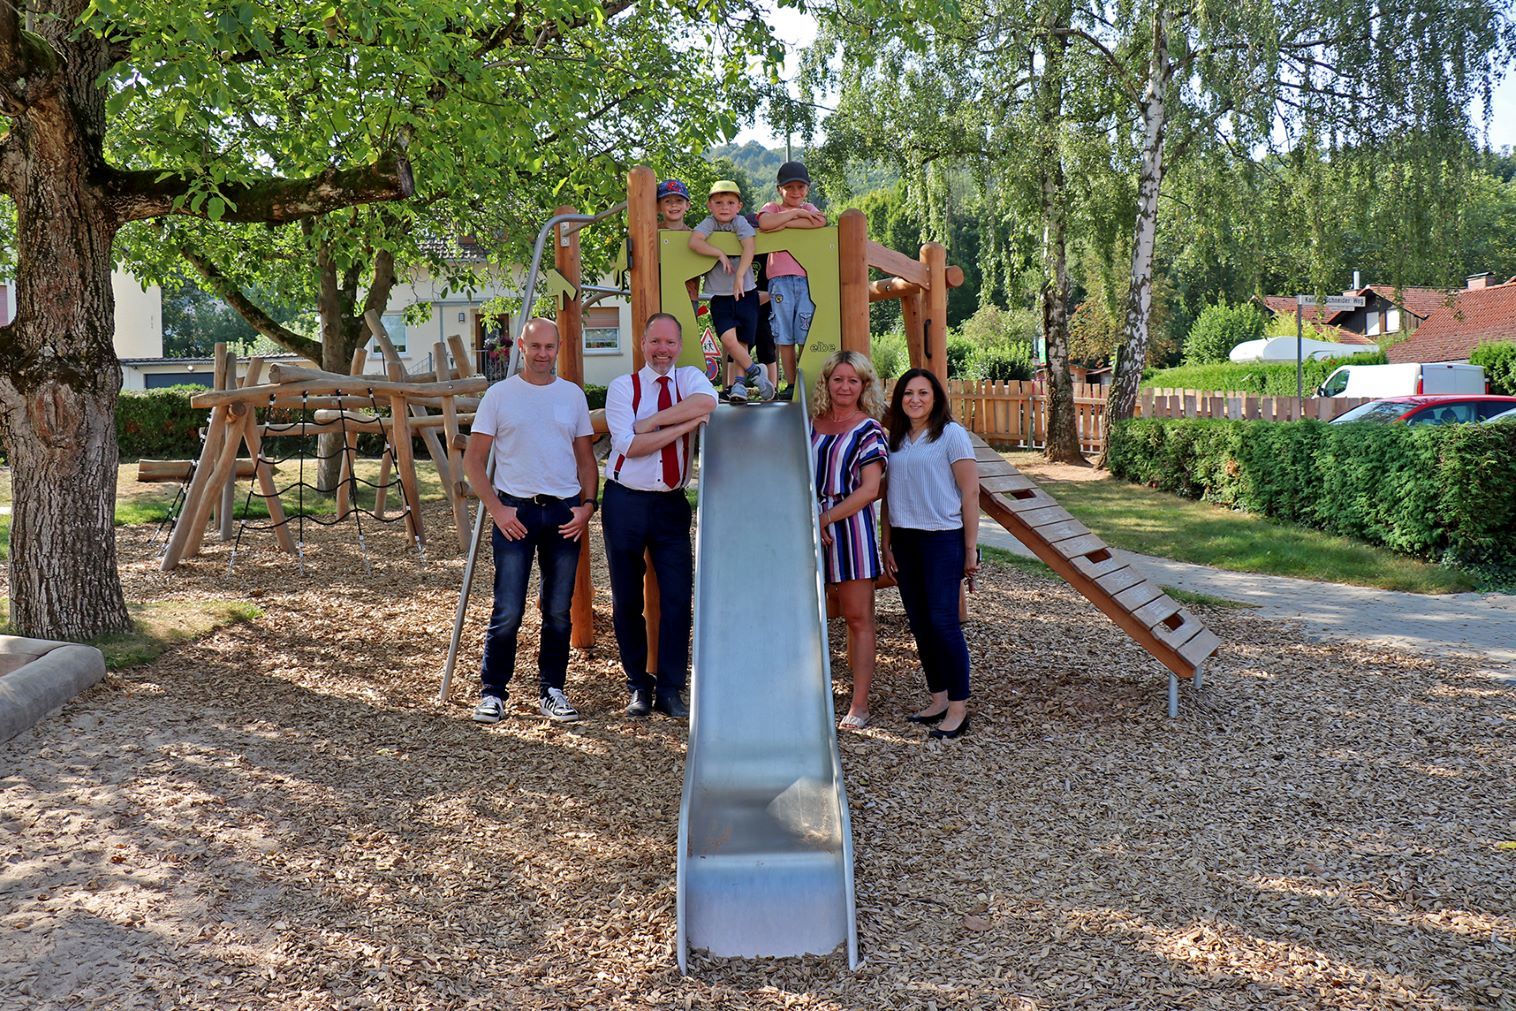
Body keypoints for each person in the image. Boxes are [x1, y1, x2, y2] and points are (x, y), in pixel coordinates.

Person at [463, 318, 598, 725]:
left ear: (558, 347)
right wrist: (497, 510)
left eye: (549, 347)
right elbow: (473, 460)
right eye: (535, 346)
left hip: (563, 512)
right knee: (507, 609)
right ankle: (493, 693)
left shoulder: (572, 396)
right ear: (521, 346)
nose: (542, 354)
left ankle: (552, 691)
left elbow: (586, 458)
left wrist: (588, 506)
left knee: (558, 610)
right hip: (514, 512)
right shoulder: (500, 396)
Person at [602, 313, 718, 718]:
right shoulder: (623, 387)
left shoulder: (688, 379)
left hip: (670, 504)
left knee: (677, 599)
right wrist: (683, 425)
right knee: (627, 599)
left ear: (679, 345)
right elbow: (629, 446)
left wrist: (653, 422)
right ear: (643, 343)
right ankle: (638, 684)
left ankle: (671, 687)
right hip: (625, 502)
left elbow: (708, 403)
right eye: (655, 342)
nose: (662, 350)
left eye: (670, 342)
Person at [880, 368, 979, 740]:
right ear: (899, 398)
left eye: (923, 392)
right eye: (908, 393)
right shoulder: (896, 437)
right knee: (920, 623)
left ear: (935, 397)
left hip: (942, 539)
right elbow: (889, 495)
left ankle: (958, 707)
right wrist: (886, 541)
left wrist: (970, 549)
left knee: (942, 623)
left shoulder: (951, 435)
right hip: (905, 541)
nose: (915, 399)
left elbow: (970, 494)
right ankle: (937, 698)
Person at [809, 351, 888, 730]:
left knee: (858, 618)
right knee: (806, 617)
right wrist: (810, 517)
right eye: (837, 379)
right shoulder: (810, 425)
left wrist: (825, 517)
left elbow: (870, 490)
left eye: (852, 381)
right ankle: (809, 694)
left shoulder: (869, 429)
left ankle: (859, 703)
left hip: (850, 528)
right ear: (826, 383)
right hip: (807, 523)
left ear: (864, 386)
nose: (844, 387)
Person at [689, 179, 775, 403]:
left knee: (743, 340)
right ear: (709, 205)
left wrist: (739, 274)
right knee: (728, 339)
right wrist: (719, 253)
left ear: (738, 206)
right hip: (721, 296)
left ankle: (738, 385)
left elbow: (749, 246)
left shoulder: (739, 223)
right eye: (718, 202)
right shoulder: (709, 223)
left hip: (745, 292)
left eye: (730, 202)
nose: (724, 207)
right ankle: (755, 373)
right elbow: (694, 242)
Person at [759, 161, 827, 401]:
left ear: (807, 189)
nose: (796, 192)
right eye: (790, 187)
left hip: (805, 279)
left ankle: (807, 381)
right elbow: (764, 223)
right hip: (779, 281)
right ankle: (789, 383)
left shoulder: (809, 207)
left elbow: (820, 222)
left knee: (805, 332)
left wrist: (787, 222)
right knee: (784, 335)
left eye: (801, 187)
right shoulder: (772, 208)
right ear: (779, 189)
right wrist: (797, 215)